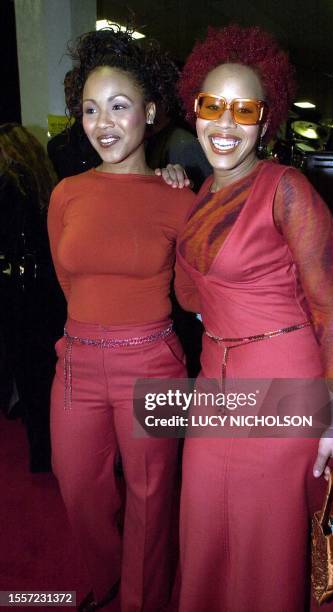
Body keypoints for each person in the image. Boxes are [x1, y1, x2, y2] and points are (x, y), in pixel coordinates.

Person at [169, 24, 333, 611]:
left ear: (265, 120)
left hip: (283, 380)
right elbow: (193, 299)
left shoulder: (288, 190)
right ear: (193, 110)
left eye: (242, 109)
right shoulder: (196, 194)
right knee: (204, 529)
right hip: (213, 384)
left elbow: (329, 311)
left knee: (265, 542)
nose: (224, 125)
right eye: (211, 106)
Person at [47, 29, 195, 612]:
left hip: (152, 364)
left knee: (152, 497)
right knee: (77, 484)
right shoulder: (66, 193)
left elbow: (189, 290)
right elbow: (68, 279)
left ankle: (143, 599)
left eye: (118, 105)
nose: (102, 122)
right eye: (89, 108)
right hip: (77, 363)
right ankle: (107, 576)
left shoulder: (180, 198)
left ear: (150, 113)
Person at [0, 123, 64, 471]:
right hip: (48, 293)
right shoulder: (46, 184)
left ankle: (43, 453)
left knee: (29, 374)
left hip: (20, 296)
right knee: (50, 373)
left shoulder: (9, 187)